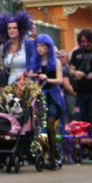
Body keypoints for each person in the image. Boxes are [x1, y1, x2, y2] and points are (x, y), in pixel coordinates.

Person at [29, 34, 65, 170]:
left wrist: (47, 79)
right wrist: (26, 76)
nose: (40, 49)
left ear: (48, 47)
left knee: (50, 126)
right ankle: (39, 154)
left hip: (53, 96)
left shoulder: (56, 62)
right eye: (38, 46)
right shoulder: (35, 62)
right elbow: (29, 76)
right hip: (40, 96)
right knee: (36, 127)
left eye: (43, 46)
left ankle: (54, 157)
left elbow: (60, 81)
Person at [0, 11, 35, 86]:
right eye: (9, 28)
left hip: (25, 85)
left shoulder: (28, 44)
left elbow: (34, 64)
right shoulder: (6, 47)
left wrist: (28, 77)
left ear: (20, 29)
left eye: (14, 28)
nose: (12, 30)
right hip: (10, 85)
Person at [57, 50, 77, 124]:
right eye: (59, 57)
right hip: (70, 96)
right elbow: (67, 86)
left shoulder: (76, 69)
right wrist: (77, 95)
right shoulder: (65, 70)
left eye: (63, 57)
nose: (61, 59)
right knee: (72, 115)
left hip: (77, 95)